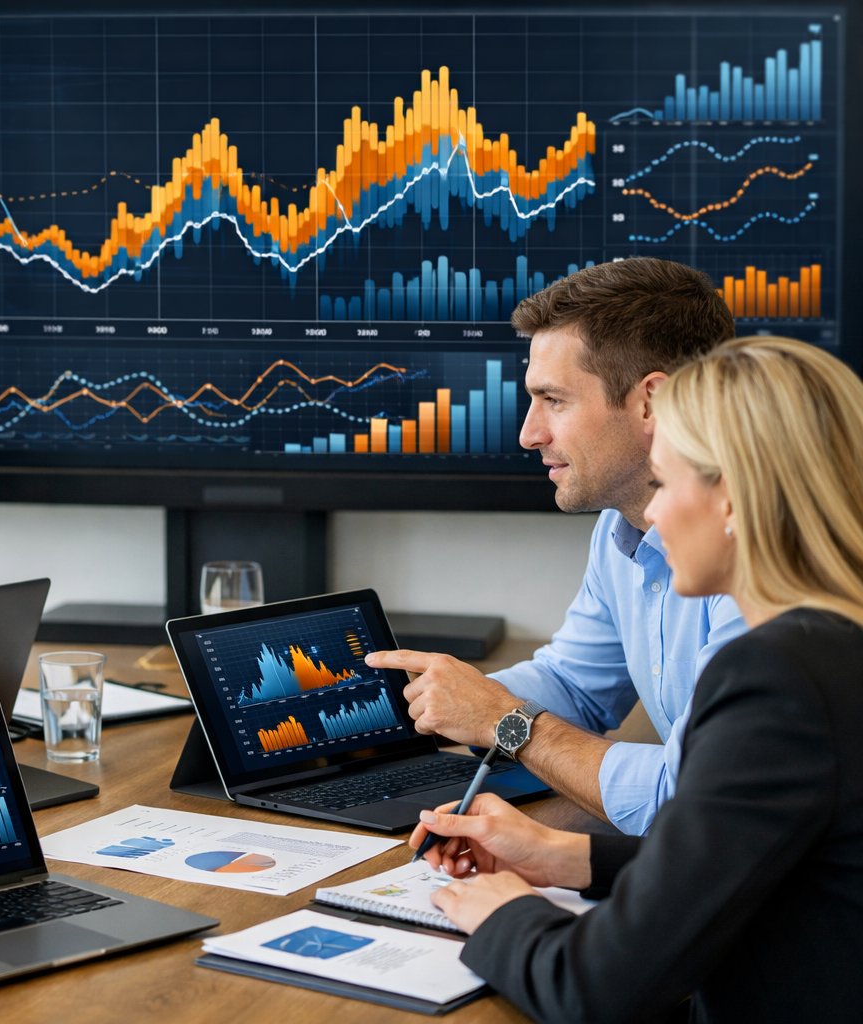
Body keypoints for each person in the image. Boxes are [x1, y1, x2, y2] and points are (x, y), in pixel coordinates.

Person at [409, 337, 863, 1021]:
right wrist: (563, 856)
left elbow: (597, 987)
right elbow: (760, 864)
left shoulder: (775, 677)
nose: (650, 516)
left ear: (733, 500)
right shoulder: (832, 648)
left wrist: (506, 916)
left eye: (667, 482)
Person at [364, 258, 745, 834]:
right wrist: (428, 704)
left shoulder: (758, 553)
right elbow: (575, 684)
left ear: (652, 402)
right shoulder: (622, 528)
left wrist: (502, 718)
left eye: (554, 400)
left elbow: (691, 797)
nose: (529, 433)